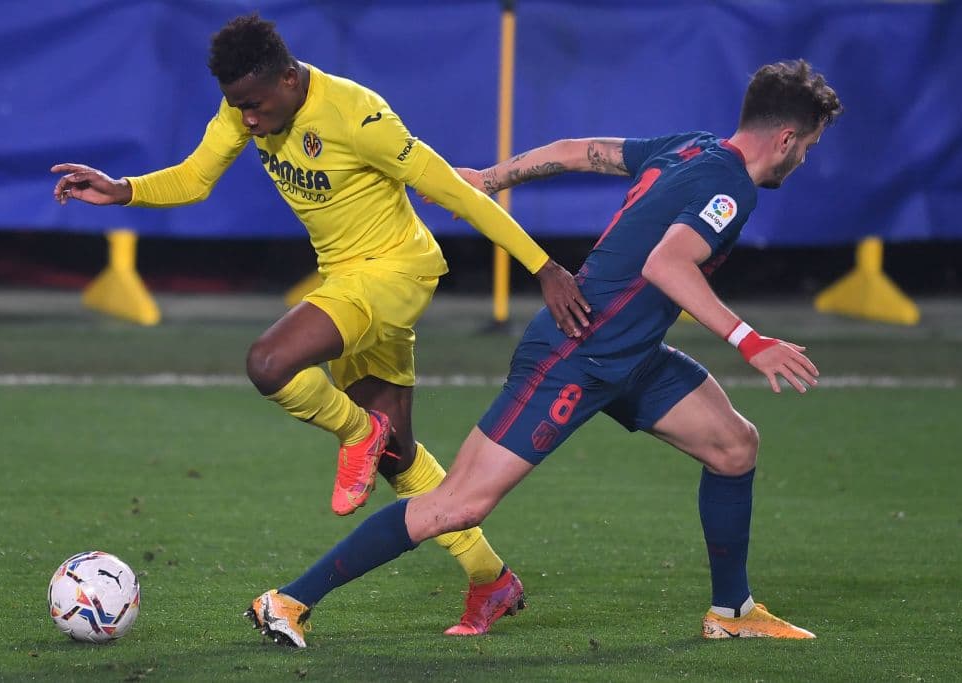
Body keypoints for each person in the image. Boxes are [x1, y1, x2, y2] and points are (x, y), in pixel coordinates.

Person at [241, 59, 843, 647]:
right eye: (808, 146)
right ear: (787, 137)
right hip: (576, 353)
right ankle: (290, 600)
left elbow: (579, 150)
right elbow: (668, 264)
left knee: (735, 446)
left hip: (632, 356)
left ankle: (731, 610)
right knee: (457, 504)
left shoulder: (691, 147)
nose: (804, 158)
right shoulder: (731, 185)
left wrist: (494, 178)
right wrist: (750, 340)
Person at [51, 14, 592, 637]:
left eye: (254, 105)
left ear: (287, 77)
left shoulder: (358, 116)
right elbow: (196, 177)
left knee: (269, 363)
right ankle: (491, 580)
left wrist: (544, 266)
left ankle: (358, 431)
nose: (247, 120)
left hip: (395, 274)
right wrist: (123, 190)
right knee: (400, 459)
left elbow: (455, 192)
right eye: (237, 108)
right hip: (347, 280)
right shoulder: (245, 107)